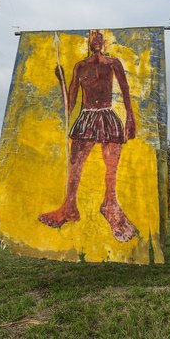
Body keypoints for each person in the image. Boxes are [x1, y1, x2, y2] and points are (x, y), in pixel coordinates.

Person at [38, 30, 138, 242]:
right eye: (93, 36)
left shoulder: (113, 63)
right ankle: (69, 207)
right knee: (75, 164)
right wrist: (61, 81)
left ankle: (110, 204)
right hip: (86, 119)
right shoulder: (80, 67)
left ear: (104, 40)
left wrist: (130, 118)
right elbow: (70, 104)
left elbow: (126, 90)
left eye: (100, 35)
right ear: (89, 41)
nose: (97, 39)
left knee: (111, 167)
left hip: (108, 118)